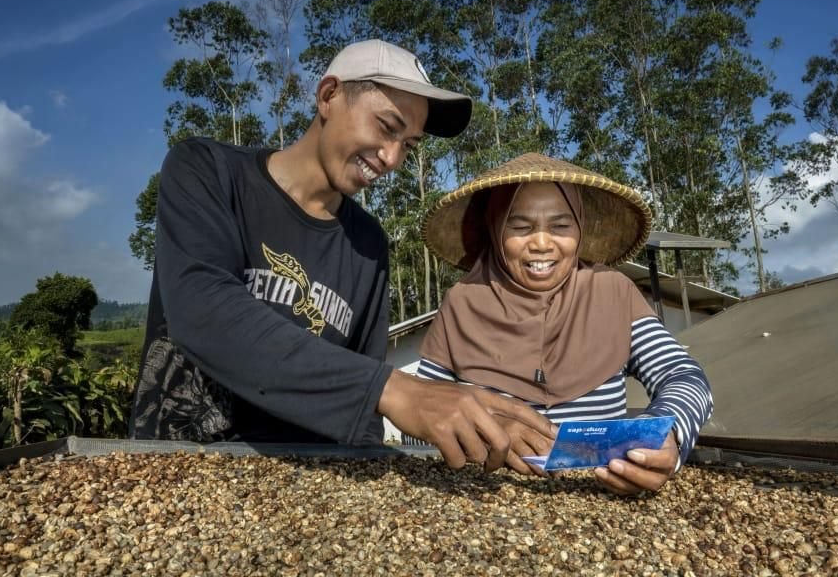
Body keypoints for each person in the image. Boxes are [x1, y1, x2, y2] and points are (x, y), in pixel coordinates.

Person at [129, 39, 553, 471]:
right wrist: (395, 390)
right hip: (177, 467)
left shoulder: (368, 245)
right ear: (329, 95)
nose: (391, 158)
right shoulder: (207, 171)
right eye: (387, 127)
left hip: (298, 481)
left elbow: (360, 393)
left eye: (408, 144)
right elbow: (202, 309)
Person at [414, 153, 713, 494]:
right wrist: (486, 429)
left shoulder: (612, 292)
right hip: (484, 498)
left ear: (579, 230)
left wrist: (666, 432)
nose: (542, 243)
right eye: (520, 226)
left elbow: (683, 374)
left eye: (560, 226)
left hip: (602, 495)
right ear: (496, 229)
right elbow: (421, 413)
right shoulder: (462, 302)